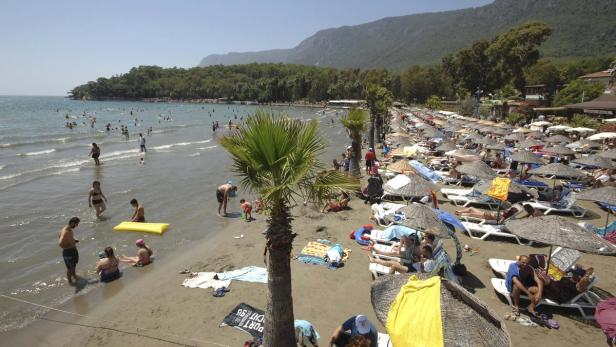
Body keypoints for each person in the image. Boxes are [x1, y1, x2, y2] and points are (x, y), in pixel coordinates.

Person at [58, 217, 80, 286]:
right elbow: (60, 243)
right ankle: (70, 282)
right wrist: (68, 246)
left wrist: (74, 240)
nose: (77, 226)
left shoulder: (68, 229)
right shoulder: (65, 232)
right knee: (70, 268)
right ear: (72, 223)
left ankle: (74, 276)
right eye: (76, 224)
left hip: (71, 251)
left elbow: (66, 238)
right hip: (69, 252)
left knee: (73, 266)